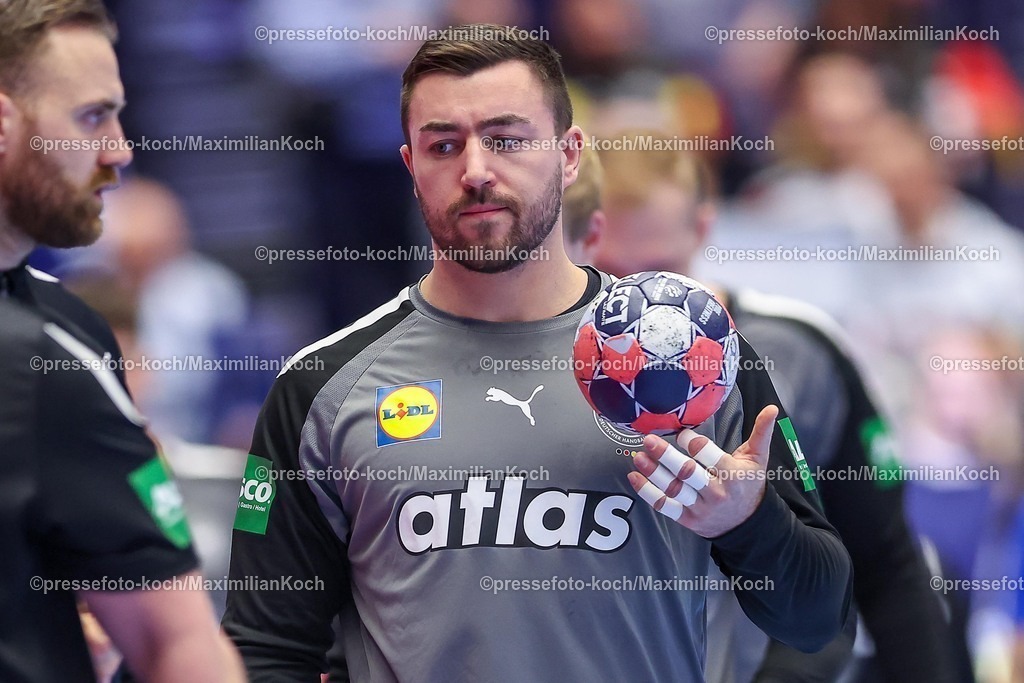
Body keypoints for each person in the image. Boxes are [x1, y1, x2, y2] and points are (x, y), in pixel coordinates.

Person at [222, 25, 853, 682]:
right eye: (443, 145)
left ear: (569, 154)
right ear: (411, 167)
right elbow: (266, 648)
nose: (475, 170)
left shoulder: (693, 356)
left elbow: (819, 619)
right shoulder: (320, 389)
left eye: (506, 139)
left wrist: (750, 522)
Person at [568, 130, 954, 682]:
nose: (642, 319)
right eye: (616, 277)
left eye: (660, 270)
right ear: (581, 241)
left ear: (702, 228)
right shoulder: (547, 358)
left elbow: (886, 559)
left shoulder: (800, 349)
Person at [0, 2, 245, 681]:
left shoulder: (68, 333)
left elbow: (174, 644)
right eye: (91, 117)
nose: (119, 149)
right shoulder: (45, 354)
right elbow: (180, 648)